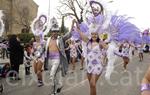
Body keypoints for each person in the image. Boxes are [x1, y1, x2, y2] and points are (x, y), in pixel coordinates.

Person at [76, 22, 106, 95]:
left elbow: (109, 48)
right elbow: (81, 34)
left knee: (93, 84)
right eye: (92, 34)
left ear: (98, 35)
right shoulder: (88, 42)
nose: (94, 35)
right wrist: (78, 28)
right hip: (89, 66)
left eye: (96, 34)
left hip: (98, 66)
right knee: (92, 86)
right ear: (91, 34)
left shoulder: (100, 43)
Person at [45, 17, 72, 94]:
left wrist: (72, 26)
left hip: (57, 59)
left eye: (57, 31)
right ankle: (59, 87)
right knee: (57, 76)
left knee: (51, 75)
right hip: (50, 60)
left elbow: (68, 35)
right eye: (54, 31)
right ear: (51, 32)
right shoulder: (48, 40)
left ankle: (52, 92)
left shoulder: (60, 39)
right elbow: (44, 49)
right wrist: (38, 54)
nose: (55, 33)